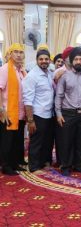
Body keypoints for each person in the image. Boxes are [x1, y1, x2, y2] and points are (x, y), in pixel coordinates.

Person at [55, 47, 81, 176]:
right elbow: (59, 95)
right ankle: (66, 166)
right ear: (72, 61)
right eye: (76, 59)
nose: (78, 61)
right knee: (66, 141)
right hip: (67, 113)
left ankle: (78, 164)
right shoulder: (65, 76)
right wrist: (58, 113)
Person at [22, 49, 55, 174]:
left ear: (49, 60)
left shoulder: (49, 73)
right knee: (36, 141)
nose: (44, 61)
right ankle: (34, 167)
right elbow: (28, 100)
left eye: (46, 59)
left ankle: (42, 162)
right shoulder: (32, 76)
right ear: (37, 61)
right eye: (41, 59)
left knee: (46, 141)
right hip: (37, 114)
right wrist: (30, 120)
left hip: (49, 113)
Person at [0, 43, 27, 175]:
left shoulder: (22, 71)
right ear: (10, 54)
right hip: (8, 112)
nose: (18, 54)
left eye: (21, 52)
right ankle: (6, 166)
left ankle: (15, 163)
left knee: (17, 140)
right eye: (15, 52)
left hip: (20, 113)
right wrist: (1, 110)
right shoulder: (5, 69)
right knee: (7, 141)